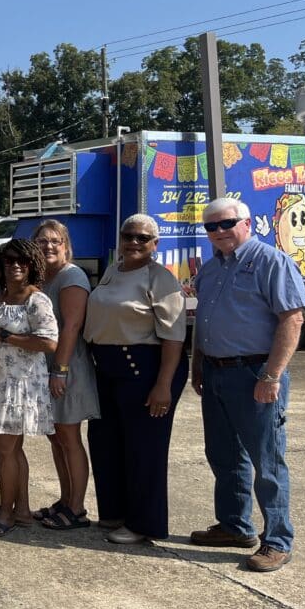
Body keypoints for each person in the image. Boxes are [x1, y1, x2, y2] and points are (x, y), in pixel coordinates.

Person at [190, 198, 305, 572]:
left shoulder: (272, 262)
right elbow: (204, 321)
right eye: (211, 226)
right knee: (224, 456)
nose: (219, 231)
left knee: (267, 461)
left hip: (255, 373)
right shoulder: (211, 269)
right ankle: (235, 526)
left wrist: (272, 375)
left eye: (226, 223)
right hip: (216, 372)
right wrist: (197, 365)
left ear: (247, 223)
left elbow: (292, 319)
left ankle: (278, 540)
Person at [84, 214, 187, 544]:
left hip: (144, 368)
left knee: (144, 449)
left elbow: (173, 337)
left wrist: (163, 385)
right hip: (108, 367)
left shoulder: (161, 279)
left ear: (155, 244)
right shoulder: (113, 271)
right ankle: (115, 512)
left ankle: (144, 524)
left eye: (142, 238)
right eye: (128, 235)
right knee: (106, 442)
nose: (133, 242)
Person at [0, 240, 58, 539]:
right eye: (9, 260)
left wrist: (6, 337)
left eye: (22, 260)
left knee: (3, 448)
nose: (15, 265)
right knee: (13, 448)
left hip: (21, 385)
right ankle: (22, 510)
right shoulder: (0, 296)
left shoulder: (36, 300)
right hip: (0, 381)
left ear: (32, 264)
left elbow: (49, 342)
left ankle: (5, 514)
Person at [31, 220, 98, 531]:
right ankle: (65, 499)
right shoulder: (42, 277)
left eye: (55, 241)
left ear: (65, 245)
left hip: (67, 368)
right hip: (44, 368)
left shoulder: (72, 277)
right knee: (56, 438)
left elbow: (71, 327)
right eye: (42, 241)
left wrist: (59, 371)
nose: (48, 246)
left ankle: (77, 509)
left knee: (69, 438)